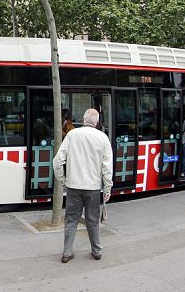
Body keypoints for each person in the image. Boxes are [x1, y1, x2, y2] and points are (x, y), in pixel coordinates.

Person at [53, 108, 113, 263]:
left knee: (71, 220)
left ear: (83, 119)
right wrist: (107, 188)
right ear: (97, 122)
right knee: (92, 220)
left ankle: (67, 252)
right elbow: (107, 168)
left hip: (73, 186)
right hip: (93, 188)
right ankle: (96, 251)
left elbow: (57, 162)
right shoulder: (103, 138)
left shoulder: (72, 135)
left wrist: (63, 181)